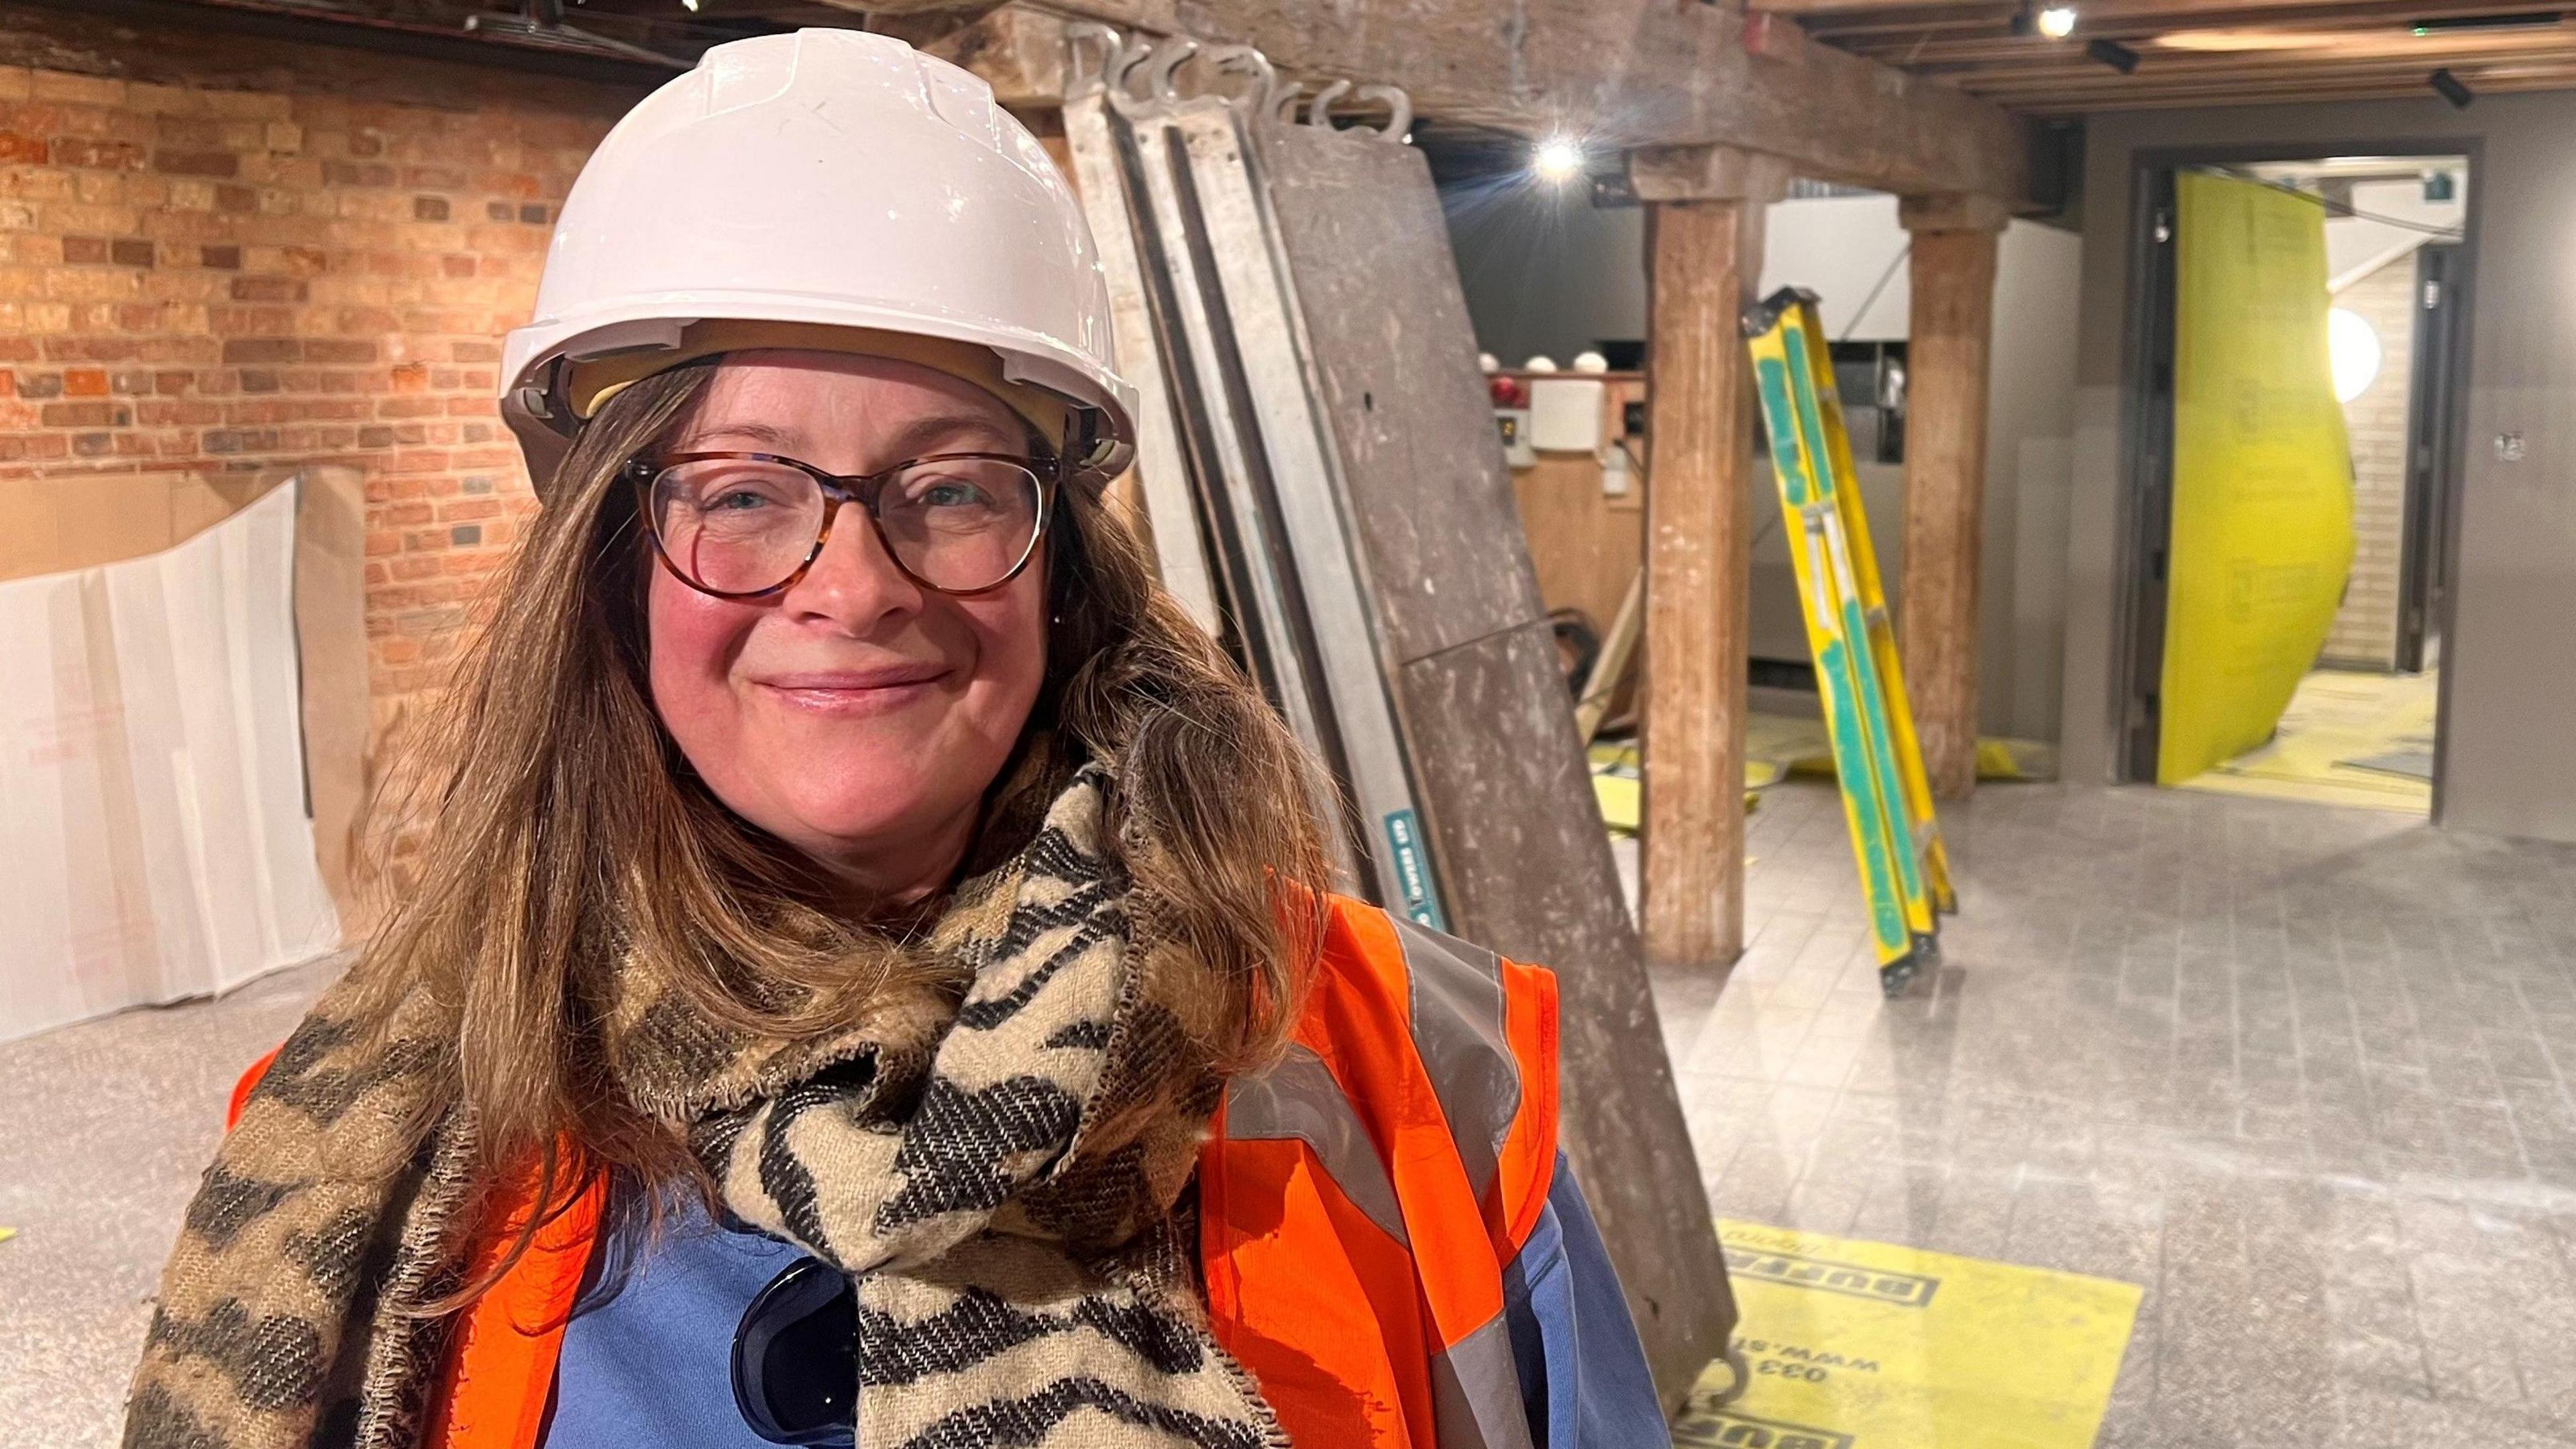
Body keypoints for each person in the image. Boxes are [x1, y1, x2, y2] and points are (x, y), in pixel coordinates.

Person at [126, 28, 1663, 1449]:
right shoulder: (371, 1134)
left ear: (1060, 564)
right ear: (611, 566)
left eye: (951, 488)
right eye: (741, 494)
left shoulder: (1415, 1080)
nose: (852, 587)